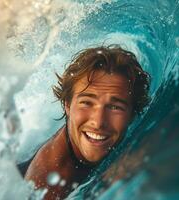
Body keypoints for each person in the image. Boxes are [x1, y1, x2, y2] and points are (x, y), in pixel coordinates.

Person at [18, 45, 151, 199]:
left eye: (115, 107)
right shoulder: (48, 186)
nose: (98, 121)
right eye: (87, 103)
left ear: (133, 114)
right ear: (67, 105)